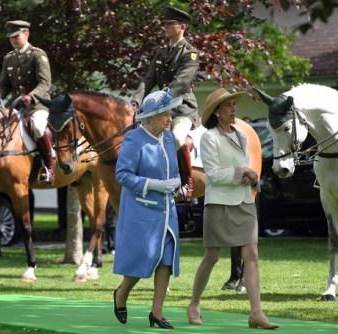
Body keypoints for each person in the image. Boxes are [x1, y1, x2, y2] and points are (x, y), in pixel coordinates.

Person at [187, 88, 278, 330]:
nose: (233, 109)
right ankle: (194, 304)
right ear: (217, 112)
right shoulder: (209, 138)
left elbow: (246, 167)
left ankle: (256, 313)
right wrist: (242, 173)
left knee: (252, 256)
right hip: (219, 204)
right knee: (212, 256)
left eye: (234, 105)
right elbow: (214, 175)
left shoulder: (242, 136)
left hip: (244, 202)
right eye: (228, 106)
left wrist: (250, 176)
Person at [113, 89, 182, 329]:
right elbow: (122, 175)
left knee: (166, 261)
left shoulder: (170, 138)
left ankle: (157, 313)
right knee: (142, 261)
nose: (169, 118)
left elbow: (172, 171)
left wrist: (176, 183)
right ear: (150, 117)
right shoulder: (134, 139)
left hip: (167, 211)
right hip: (142, 212)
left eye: (170, 113)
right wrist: (153, 185)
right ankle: (121, 293)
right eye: (164, 114)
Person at [132, 6, 199, 199]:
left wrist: (161, 100)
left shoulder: (190, 53)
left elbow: (181, 83)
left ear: (182, 27)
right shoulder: (161, 53)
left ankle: (187, 183)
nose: (165, 28)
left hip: (181, 109)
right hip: (161, 110)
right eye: (165, 24)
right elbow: (148, 79)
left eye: (170, 24)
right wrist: (136, 101)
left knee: (177, 139)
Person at [0, 20, 54, 184]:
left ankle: (48, 167)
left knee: (38, 127)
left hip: (37, 105)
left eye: (16, 36)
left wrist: (31, 96)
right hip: (16, 106)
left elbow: (45, 83)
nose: (13, 40)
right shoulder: (9, 58)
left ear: (26, 34)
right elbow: (4, 84)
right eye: (11, 38)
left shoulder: (37, 55)